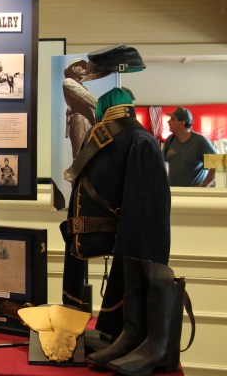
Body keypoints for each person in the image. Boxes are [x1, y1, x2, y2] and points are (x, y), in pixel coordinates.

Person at [62, 87, 171, 342]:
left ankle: (120, 330)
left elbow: (142, 217)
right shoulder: (101, 136)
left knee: (122, 326)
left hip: (125, 244)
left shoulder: (140, 142)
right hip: (96, 238)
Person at [163, 107, 218, 187]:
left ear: (182, 123)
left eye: (172, 119)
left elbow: (217, 163)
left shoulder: (200, 141)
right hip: (173, 191)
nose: (168, 122)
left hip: (192, 192)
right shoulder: (170, 140)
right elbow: (163, 162)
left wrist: (204, 184)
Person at [62, 59, 101, 160]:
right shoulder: (69, 82)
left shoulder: (79, 85)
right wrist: (105, 105)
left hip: (87, 120)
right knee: (81, 155)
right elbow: (87, 98)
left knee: (89, 156)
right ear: (73, 68)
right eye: (81, 67)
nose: (84, 70)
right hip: (80, 119)